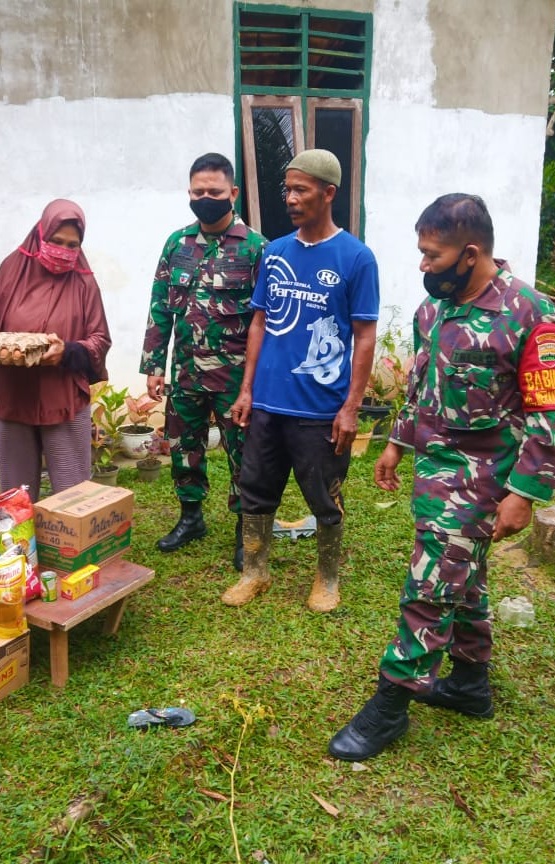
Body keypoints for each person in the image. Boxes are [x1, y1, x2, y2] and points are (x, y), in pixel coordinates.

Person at [327, 193, 555, 761]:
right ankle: (467, 683)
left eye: (432, 255)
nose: (423, 264)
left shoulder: (531, 315)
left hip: (484, 478)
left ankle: (391, 704)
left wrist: (524, 493)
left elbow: (549, 413)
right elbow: (421, 386)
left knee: (431, 585)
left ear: (470, 254)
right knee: (465, 576)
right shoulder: (431, 311)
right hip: (435, 471)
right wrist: (396, 443)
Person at [226, 149, 379, 612]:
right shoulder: (275, 252)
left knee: (323, 496)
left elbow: (365, 336)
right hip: (268, 403)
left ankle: (327, 579)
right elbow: (259, 322)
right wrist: (247, 390)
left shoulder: (356, 258)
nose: (290, 198)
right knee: (255, 490)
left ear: (328, 193)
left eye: (301, 190)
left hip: (320, 407)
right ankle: (255, 572)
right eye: (287, 189)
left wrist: (350, 407)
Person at [140, 153, 266, 570]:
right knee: (184, 447)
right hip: (186, 372)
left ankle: (245, 529)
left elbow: (266, 321)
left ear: (233, 193)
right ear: (189, 193)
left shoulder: (256, 248)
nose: (206, 198)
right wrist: (154, 365)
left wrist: (257, 382)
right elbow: (161, 307)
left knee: (243, 454)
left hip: (235, 377)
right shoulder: (177, 244)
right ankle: (190, 517)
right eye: (199, 192)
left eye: (215, 191)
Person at [0, 199, 111, 499]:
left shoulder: (84, 283)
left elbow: (99, 339)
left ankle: (67, 533)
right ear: (40, 234)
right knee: (15, 497)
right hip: (12, 397)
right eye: (56, 241)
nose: (63, 251)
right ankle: (21, 533)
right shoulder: (13, 268)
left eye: (72, 245)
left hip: (62, 401)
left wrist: (67, 351)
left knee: (73, 496)